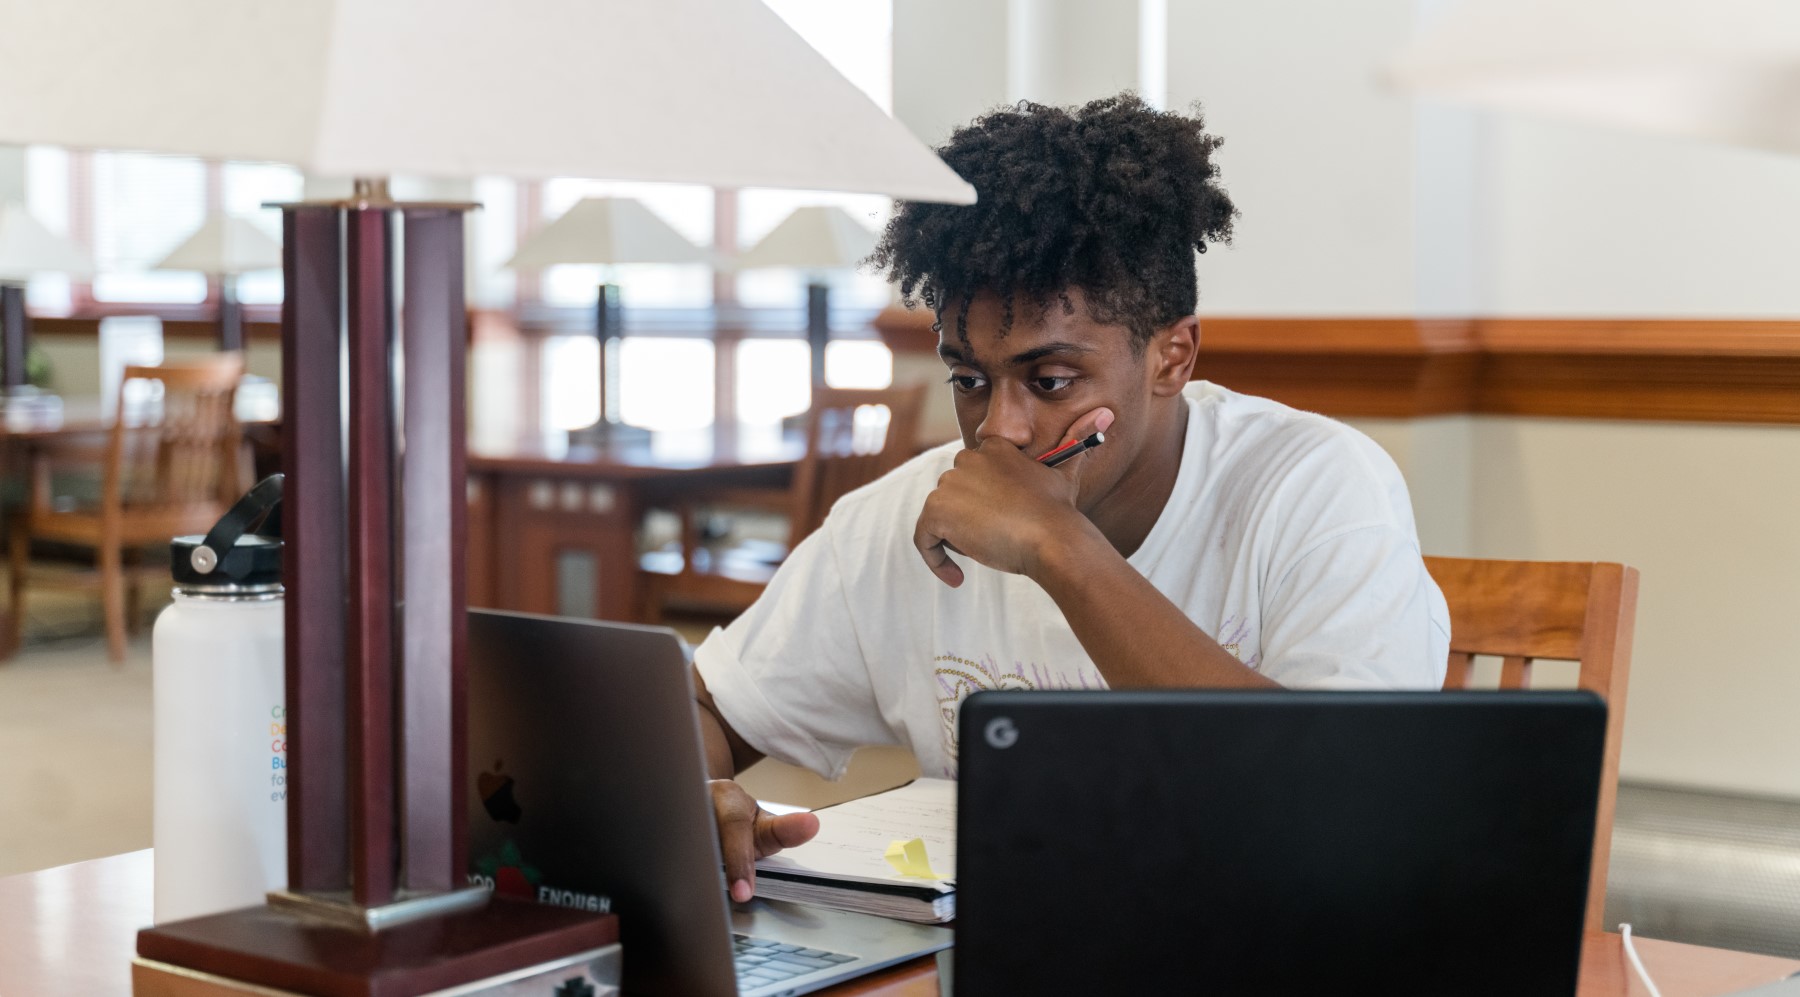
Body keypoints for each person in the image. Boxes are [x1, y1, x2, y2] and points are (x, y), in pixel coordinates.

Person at [692, 93, 1450, 903]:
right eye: (969, 380)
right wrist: (698, 796)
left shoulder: (1318, 487)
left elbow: (1334, 804)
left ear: (1171, 356)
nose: (1000, 431)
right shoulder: (903, 513)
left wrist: (1059, 547)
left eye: (1050, 380)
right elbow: (708, 705)